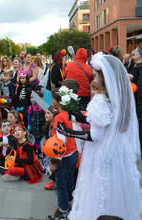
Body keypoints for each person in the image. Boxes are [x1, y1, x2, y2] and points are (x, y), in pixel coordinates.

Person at [57, 53, 141, 220]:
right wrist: (75, 113)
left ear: (104, 78)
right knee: (117, 190)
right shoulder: (120, 100)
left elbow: (95, 135)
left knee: (98, 192)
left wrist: (70, 132)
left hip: (101, 154)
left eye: (96, 75)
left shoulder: (100, 100)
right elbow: (99, 121)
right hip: (119, 154)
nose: (93, 78)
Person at [50, 87, 79, 219]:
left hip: (64, 156)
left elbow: (60, 142)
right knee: (69, 180)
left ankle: (63, 210)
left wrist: (55, 161)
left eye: (53, 99)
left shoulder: (59, 118)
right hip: (73, 153)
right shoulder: (69, 113)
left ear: (57, 103)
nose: (52, 102)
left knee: (60, 184)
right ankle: (69, 203)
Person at [130, 47, 142, 153]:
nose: (133, 52)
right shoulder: (131, 65)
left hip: (139, 101)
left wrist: (132, 78)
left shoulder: (141, 67)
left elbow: (139, 85)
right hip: (132, 100)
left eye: (136, 51)